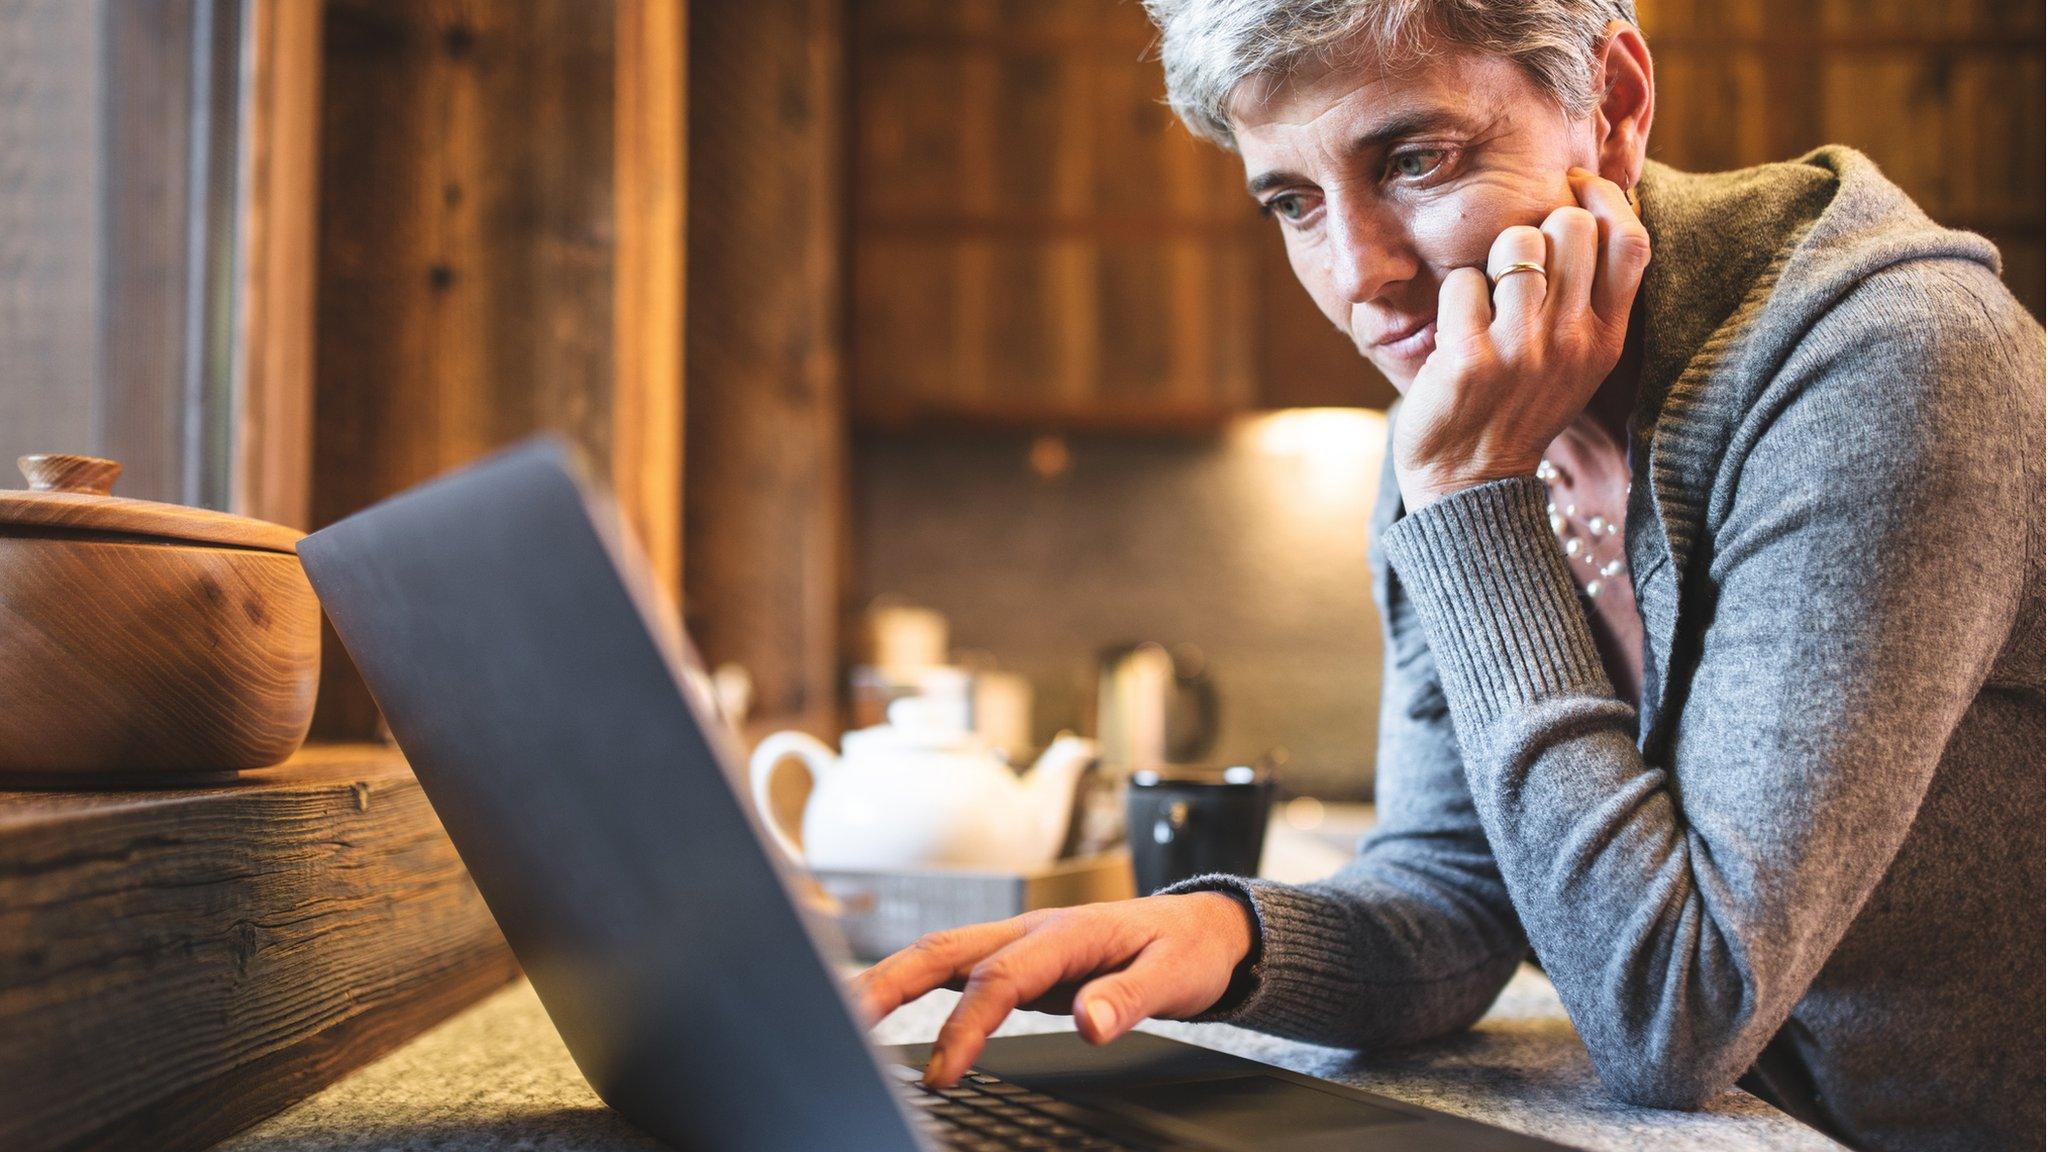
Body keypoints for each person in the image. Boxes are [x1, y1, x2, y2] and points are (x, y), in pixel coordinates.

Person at [851, 3, 2046, 1149]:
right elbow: (1453, 883)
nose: (1357, 273)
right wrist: (1224, 934)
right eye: (1291, 200)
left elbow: (1679, 1012)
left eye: (1413, 160)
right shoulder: (1461, 402)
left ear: (1612, 104)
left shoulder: (1883, 367)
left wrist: (1471, 503)